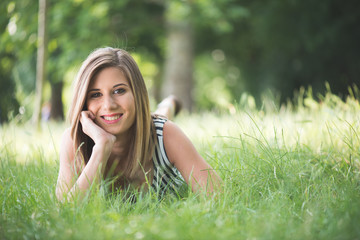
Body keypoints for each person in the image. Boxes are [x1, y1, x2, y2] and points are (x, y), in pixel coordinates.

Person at [55, 47, 221, 201]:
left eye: (119, 91)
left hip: (151, 128)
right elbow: (66, 212)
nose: (108, 105)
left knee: (160, 119)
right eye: (96, 94)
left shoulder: (167, 134)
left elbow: (218, 196)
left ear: (137, 94)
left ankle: (168, 104)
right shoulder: (73, 141)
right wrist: (102, 147)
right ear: (83, 102)